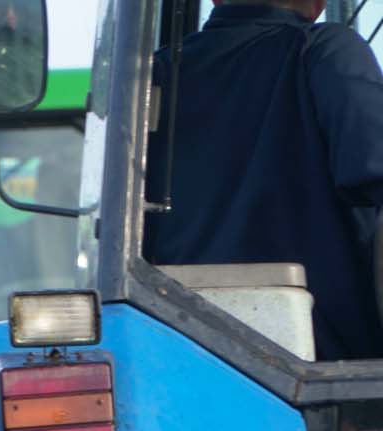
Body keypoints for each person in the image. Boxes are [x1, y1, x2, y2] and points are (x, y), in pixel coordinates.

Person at [144, 0, 383, 360]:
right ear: (319, 4)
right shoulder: (326, 50)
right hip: (327, 363)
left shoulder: (151, 79)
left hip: (176, 346)